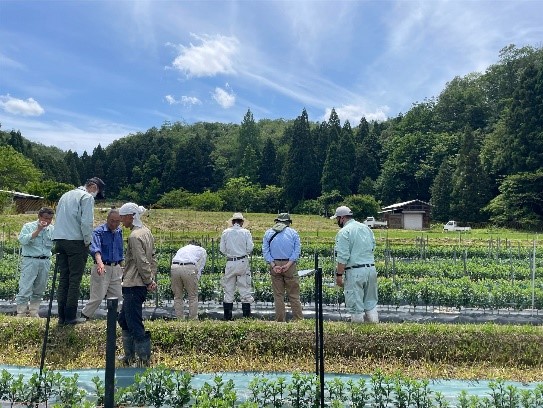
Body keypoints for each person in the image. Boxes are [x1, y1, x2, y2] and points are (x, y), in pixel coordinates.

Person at [52, 177, 105, 325]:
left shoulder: (65, 195)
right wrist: (88, 242)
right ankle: (70, 316)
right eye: (97, 192)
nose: (96, 195)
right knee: (74, 279)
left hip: (60, 240)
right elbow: (86, 222)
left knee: (64, 278)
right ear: (93, 187)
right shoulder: (86, 197)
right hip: (75, 241)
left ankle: (61, 316)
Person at [117, 202, 157, 367]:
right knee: (124, 319)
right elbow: (153, 258)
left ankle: (143, 359)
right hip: (138, 283)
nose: (121, 220)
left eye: (123, 217)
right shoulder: (146, 232)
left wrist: (148, 280)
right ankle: (129, 355)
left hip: (134, 283)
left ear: (131, 216)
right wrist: (151, 278)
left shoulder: (134, 236)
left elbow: (141, 261)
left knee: (133, 322)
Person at [330, 206, 379, 323]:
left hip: (355, 271)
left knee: (355, 306)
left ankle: (358, 332)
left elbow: (342, 257)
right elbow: (373, 247)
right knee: (370, 304)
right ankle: (375, 330)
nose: (337, 221)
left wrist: (339, 275)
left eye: (337, 219)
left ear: (342, 218)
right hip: (371, 269)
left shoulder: (344, 232)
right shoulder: (366, 228)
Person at [80, 209, 124, 320]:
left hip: (116, 267)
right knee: (97, 297)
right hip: (102, 267)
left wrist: (122, 266)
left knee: (118, 297)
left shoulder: (119, 231)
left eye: (117, 221)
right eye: (112, 220)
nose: (114, 224)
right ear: (107, 219)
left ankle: (115, 321)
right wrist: (100, 263)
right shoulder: (98, 231)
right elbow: (96, 249)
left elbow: (120, 250)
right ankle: (84, 317)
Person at [262, 213, 303, 322]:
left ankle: (280, 320)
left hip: (274, 264)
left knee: (278, 295)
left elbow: (265, 251)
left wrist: (273, 265)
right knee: (294, 294)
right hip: (289, 265)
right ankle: (298, 319)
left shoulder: (268, 233)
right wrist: (288, 264)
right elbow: (297, 251)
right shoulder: (293, 233)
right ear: (288, 223)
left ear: (277, 221)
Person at [15, 207, 55, 317]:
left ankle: (34, 312)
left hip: (45, 261)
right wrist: (38, 230)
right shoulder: (28, 226)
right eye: (45, 218)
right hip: (30, 261)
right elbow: (22, 240)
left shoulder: (52, 229)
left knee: (40, 288)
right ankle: (21, 313)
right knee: (25, 287)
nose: (47, 221)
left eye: (50, 219)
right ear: (39, 217)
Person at [219, 212, 254, 320]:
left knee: (229, 289)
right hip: (242, 261)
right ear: (242, 222)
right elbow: (250, 248)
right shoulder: (246, 232)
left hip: (230, 262)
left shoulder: (225, 232)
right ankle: (246, 318)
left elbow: (222, 249)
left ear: (232, 222)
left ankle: (227, 318)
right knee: (244, 288)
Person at [170, 240, 207, 320]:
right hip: (189, 268)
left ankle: (179, 319)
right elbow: (200, 266)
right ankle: (193, 319)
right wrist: (196, 279)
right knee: (193, 296)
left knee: (177, 296)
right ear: (199, 245)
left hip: (175, 267)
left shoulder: (182, 248)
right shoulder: (201, 250)